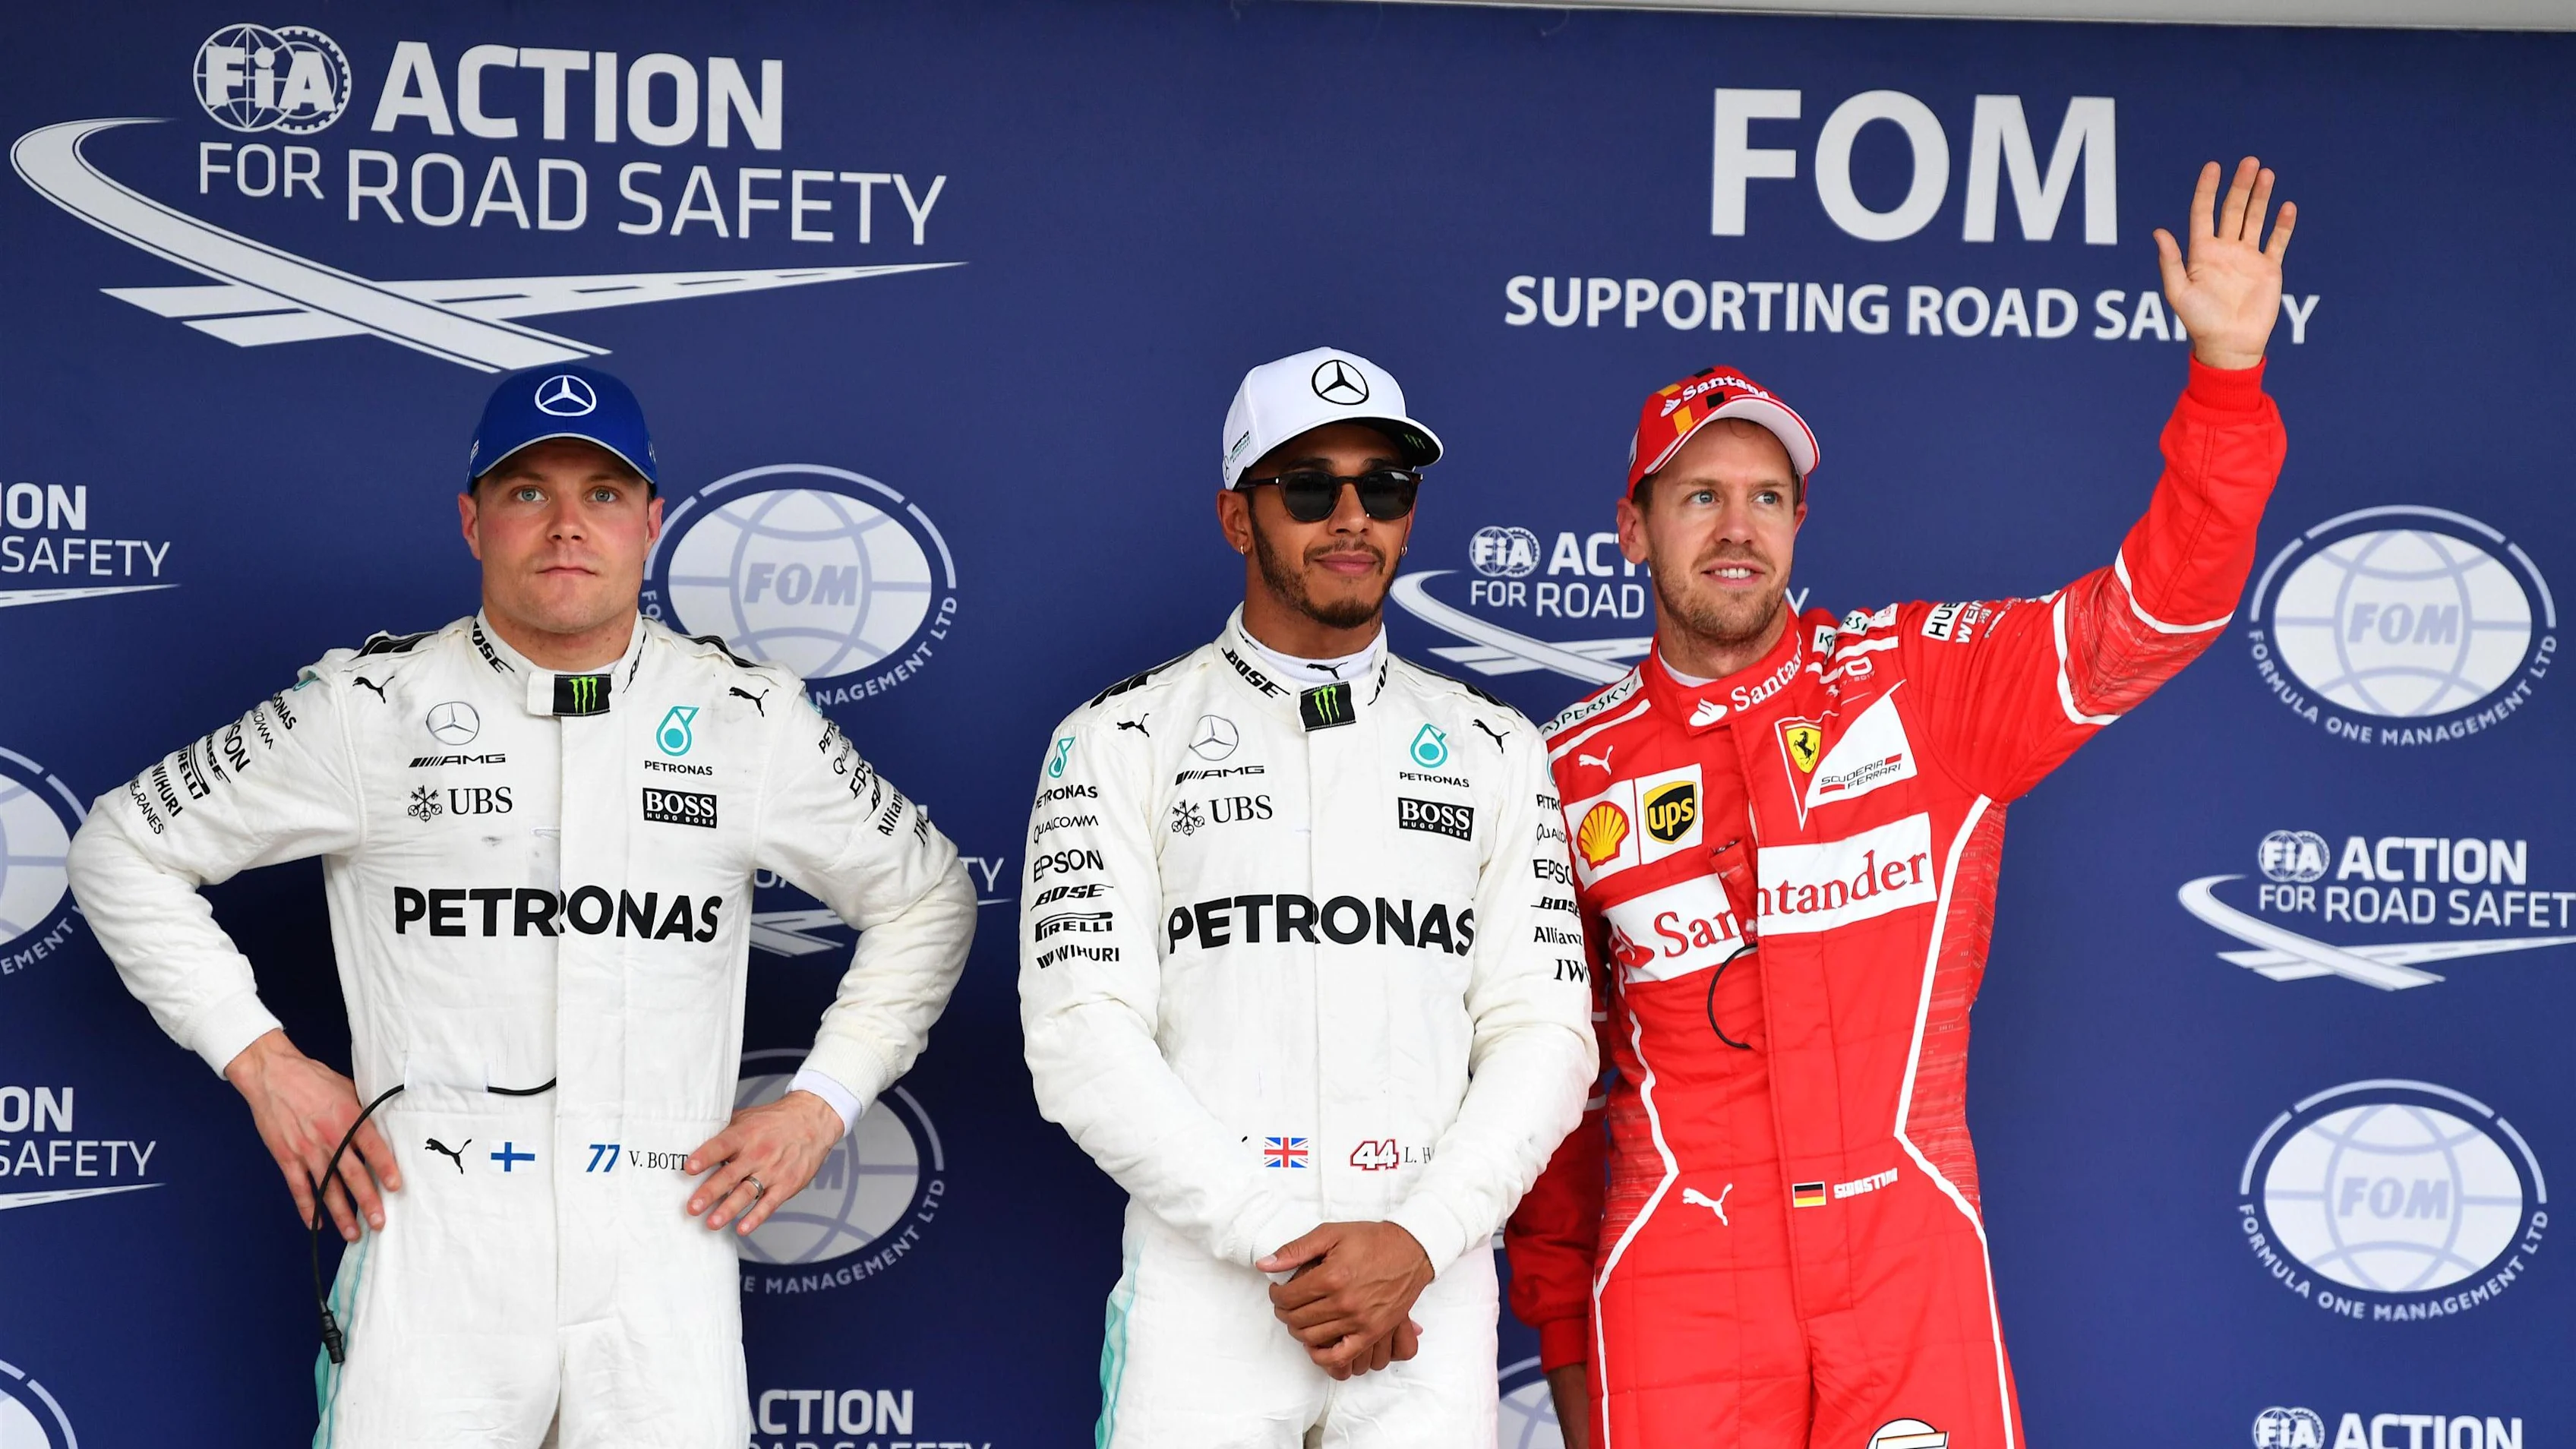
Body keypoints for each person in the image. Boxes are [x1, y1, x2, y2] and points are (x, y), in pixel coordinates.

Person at [1504, 159, 2297, 1449]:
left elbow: (2158, 612)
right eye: (1700, 496)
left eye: (1768, 498)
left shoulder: (1921, 681)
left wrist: (2225, 376)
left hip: (1904, 1244)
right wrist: (1562, 1335)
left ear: (1800, 524)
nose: (1738, 528)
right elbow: (1544, 1094)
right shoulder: (1557, 771)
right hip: (1682, 1275)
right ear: (1632, 530)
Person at [65, 364, 977, 1447]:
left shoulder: (747, 719)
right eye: (527, 491)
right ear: (472, 521)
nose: (565, 526)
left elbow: (930, 895)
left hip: (662, 1246)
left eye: (603, 493)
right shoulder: (372, 708)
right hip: (433, 1240)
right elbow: (122, 845)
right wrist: (263, 1062)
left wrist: (822, 1101)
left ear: (652, 523)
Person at [1018, 346, 1596, 1447]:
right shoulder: (1118, 739)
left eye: (1385, 486)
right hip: (1209, 1296)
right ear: (1238, 518)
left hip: (1429, 1294)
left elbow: (1546, 1033)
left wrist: (1416, 1242)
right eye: (1308, 486)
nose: (1350, 517)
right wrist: (1286, 1243)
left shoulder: (1494, 747)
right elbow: (1081, 1036)